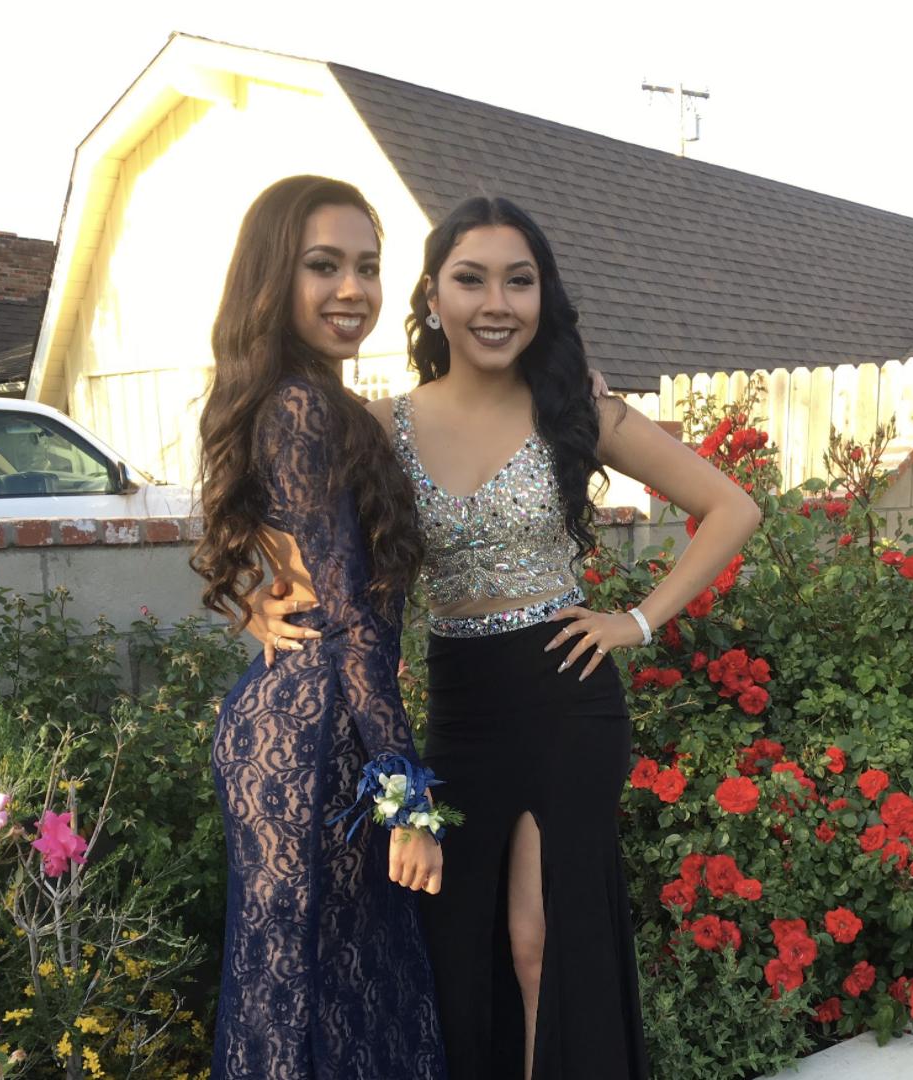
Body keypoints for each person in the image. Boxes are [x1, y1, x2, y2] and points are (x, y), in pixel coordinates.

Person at [252, 196, 761, 1080]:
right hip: (462, 707)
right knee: (461, 943)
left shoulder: (576, 411)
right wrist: (259, 600)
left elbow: (733, 508)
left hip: (568, 696)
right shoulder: (381, 425)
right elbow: (288, 531)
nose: (497, 303)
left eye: (518, 282)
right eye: (471, 280)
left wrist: (636, 620)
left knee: (538, 940)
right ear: (433, 297)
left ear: (541, 297)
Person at [190, 175, 448, 1080]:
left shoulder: (308, 402)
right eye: (324, 265)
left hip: (302, 726)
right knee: (319, 1002)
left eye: (368, 268)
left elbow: (303, 576)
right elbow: (353, 625)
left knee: (310, 993)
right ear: (274, 277)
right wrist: (409, 805)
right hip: (317, 740)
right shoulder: (301, 407)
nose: (353, 289)